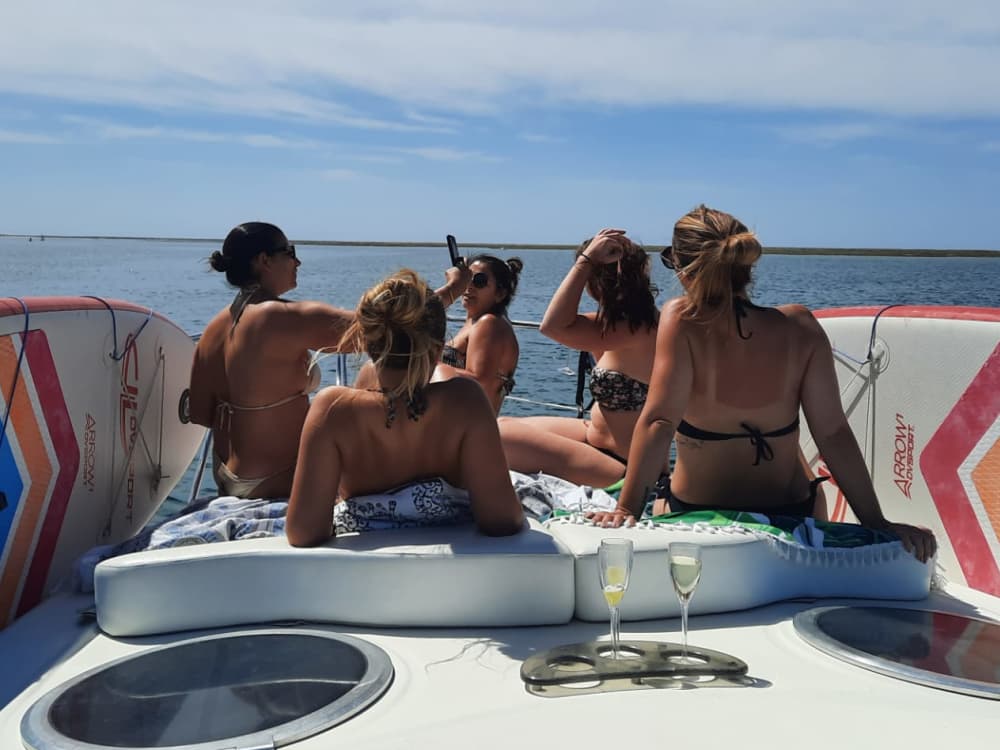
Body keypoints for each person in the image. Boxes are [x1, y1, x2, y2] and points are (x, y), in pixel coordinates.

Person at [590, 206, 936, 563]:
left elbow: (660, 421)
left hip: (700, 511)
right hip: (795, 511)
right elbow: (832, 433)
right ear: (746, 265)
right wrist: (876, 522)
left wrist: (627, 507)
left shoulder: (681, 318)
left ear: (682, 267)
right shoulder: (800, 325)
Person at [286, 269, 525, 546]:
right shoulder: (465, 401)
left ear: (367, 343)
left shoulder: (332, 408)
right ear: (438, 352)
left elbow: (303, 533)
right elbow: (502, 521)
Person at [189, 221, 358, 499]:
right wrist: (452, 289)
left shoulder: (214, 329)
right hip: (278, 479)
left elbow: (199, 413)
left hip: (227, 478)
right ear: (264, 260)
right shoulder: (277, 318)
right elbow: (380, 328)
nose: (298, 261)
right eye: (290, 252)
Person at [498, 229, 667, 487]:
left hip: (626, 465)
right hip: (595, 437)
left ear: (595, 280)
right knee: (502, 423)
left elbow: (552, 325)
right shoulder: (619, 325)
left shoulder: (637, 329)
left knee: (498, 435)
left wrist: (585, 261)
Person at [432, 254, 523, 414]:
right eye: (467, 278)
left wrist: (423, 365)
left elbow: (479, 382)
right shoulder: (475, 322)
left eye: (479, 281)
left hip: (467, 428)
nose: (469, 286)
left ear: (500, 293)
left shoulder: (489, 323)